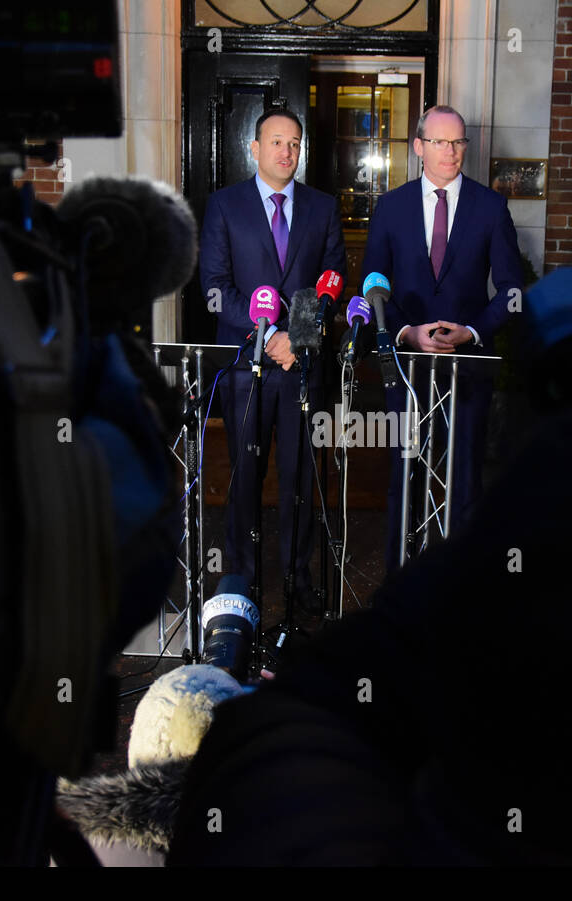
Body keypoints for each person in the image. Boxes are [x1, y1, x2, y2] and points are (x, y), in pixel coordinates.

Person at [361, 105, 523, 568]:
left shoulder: (490, 206)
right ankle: (400, 579)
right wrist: (407, 331)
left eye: (458, 142)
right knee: (405, 475)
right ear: (419, 147)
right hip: (408, 367)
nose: (450, 151)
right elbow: (371, 284)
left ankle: (461, 584)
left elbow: (512, 291)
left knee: (466, 477)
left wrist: (471, 332)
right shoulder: (391, 207)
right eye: (439, 141)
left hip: (469, 366)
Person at [197, 108, 346, 610]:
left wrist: (295, 338)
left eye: (295, 143)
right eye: (277, 142)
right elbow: (215, 289)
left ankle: (297, 582)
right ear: (255, 149)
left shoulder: (322, 207)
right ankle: (241, 583)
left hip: (302, 368)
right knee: (245, 479)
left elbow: (330, 283)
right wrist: (267, 336)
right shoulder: (224, 206)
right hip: (246, 368)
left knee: (301, 480)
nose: (287, 151)